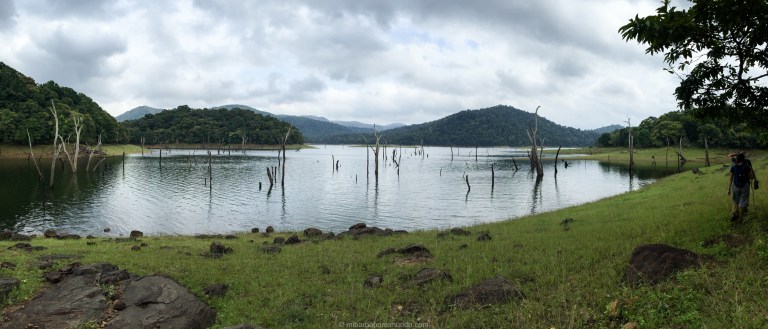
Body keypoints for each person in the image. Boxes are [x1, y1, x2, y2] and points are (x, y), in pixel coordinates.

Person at [728, 152, 756, 222]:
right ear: (743, 159)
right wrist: (751, 172)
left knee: (735, 200)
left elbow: (731, 179)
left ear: (736, 159)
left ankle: (734, 213)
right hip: (745, 186)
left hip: (735, 186)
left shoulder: (733, 167)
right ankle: (740, 218)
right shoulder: (746, 166)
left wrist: (729, 188)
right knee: (743, 202)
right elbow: (751, 177)